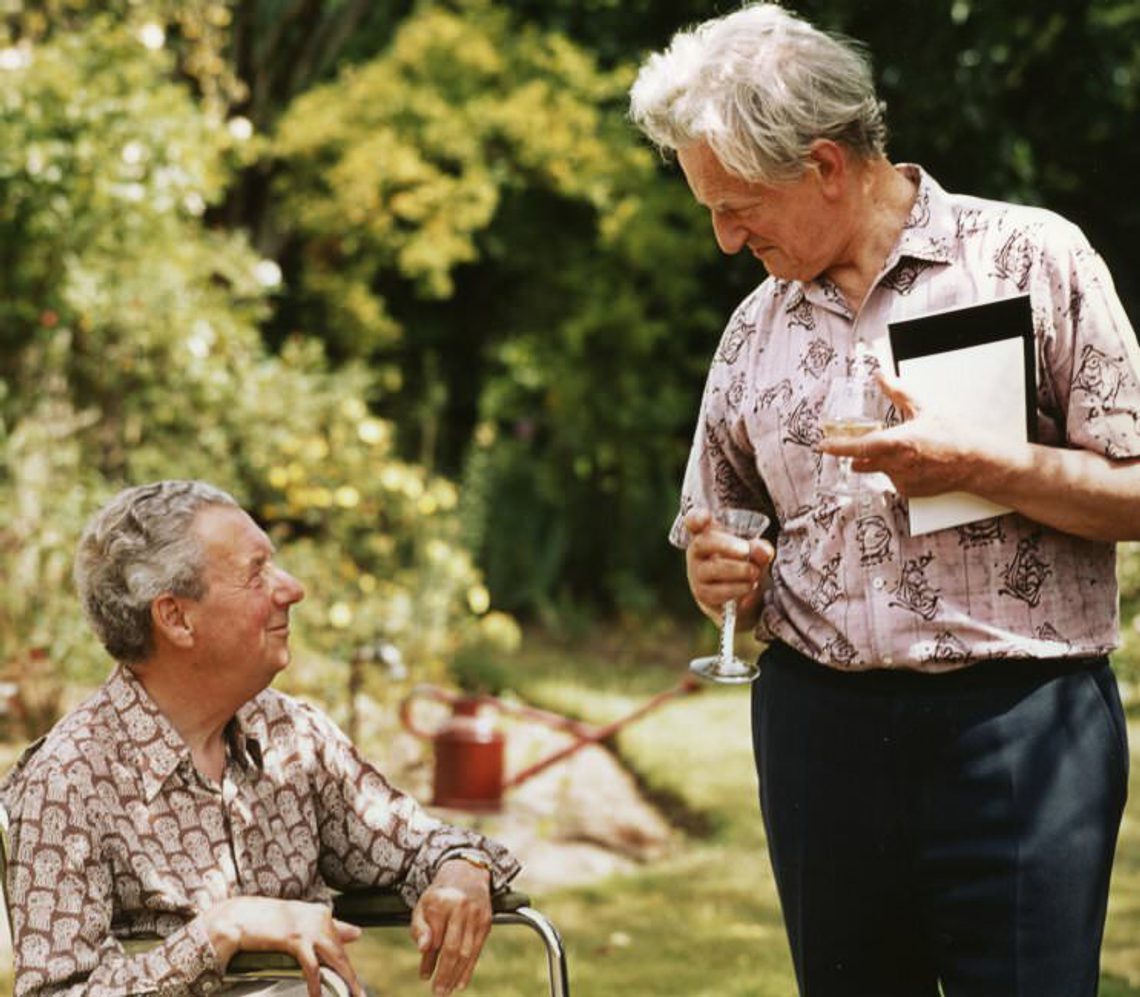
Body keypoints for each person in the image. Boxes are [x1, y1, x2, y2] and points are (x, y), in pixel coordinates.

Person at [630, 5, 1139, 996]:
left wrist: (988, 466)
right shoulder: (751, 330)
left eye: (738, 206)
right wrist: (714, 577)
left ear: (825, 165)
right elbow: (715, 530)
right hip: (821, 737)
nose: (727, 240)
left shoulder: (1034, 260)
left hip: (1021, 731)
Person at [0, 480, 520, 997]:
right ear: (176, 617)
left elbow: (413, 841)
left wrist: (462, 870)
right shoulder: (68, 780)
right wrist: (224, 929)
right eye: (256, 573)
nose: (292, 588)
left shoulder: (291, 736)